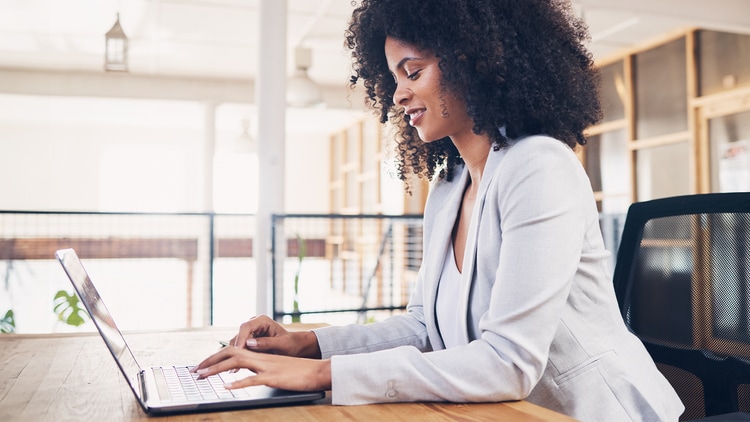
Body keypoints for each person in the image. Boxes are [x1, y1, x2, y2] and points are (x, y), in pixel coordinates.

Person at [193, 0, 685, 419]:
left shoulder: (539, 167)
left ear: (472, 60)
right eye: (392, 78)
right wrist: (307, 345)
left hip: (594, 412)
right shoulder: (450, 185)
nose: (399, 94)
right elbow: (423, 327)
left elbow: (508, 362)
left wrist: (323, 374)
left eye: (413, 72)